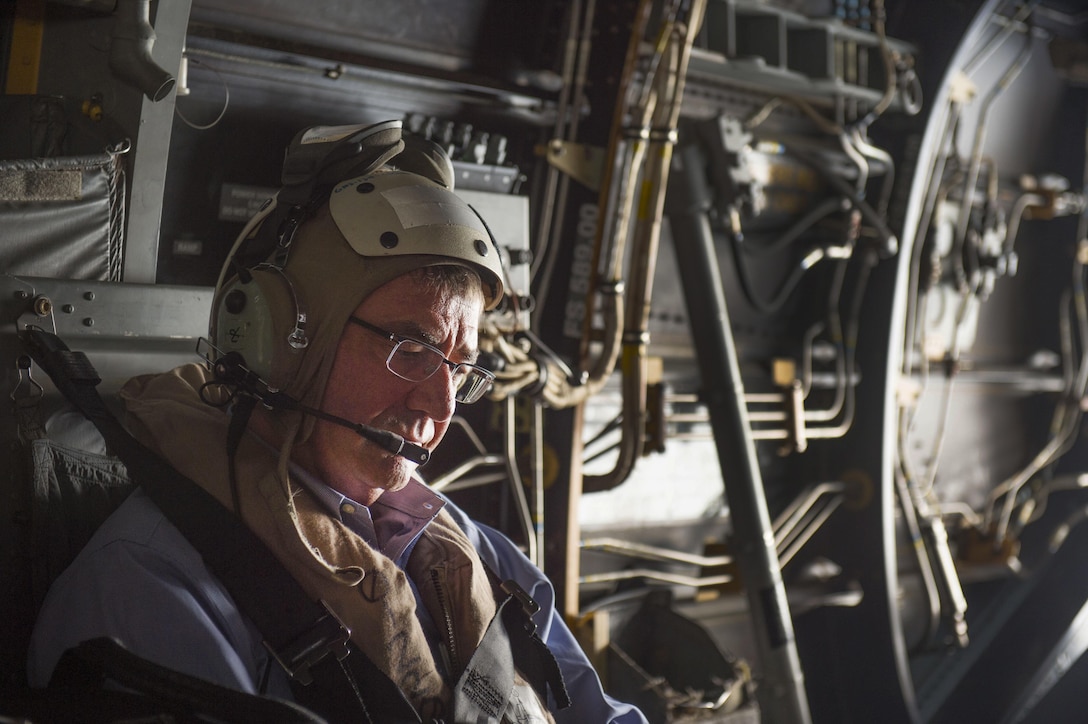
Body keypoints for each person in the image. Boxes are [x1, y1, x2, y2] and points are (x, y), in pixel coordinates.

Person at [27, 121, 647, 724]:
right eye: (411, 349)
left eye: (460, 369)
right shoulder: (149, 590)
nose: (442, 406)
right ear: (276, 343)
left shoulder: (474, 548)